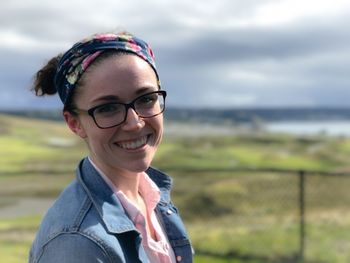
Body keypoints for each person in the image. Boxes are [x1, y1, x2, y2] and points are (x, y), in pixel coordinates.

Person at [29, 32, 193, 263]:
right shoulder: (77, 244)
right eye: (107, 108)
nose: (135, 123)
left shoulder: (151, 199)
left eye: (146, 99)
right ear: (74, 123)